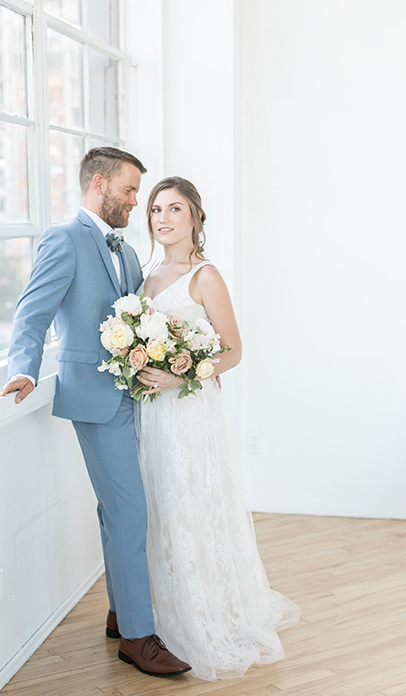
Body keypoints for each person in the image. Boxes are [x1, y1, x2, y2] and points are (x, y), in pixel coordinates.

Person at [0, 148, 191, 678]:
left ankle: (119, 612)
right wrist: (25, 370)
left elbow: (138, 320)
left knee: (116, 512)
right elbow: (32, 311)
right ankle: (138, 637)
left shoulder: (125, 252)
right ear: (99, 184)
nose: (137, 203)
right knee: (131, 512)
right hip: (95, 399)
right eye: (130, 191)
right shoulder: (64, 239)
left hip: (136, 395)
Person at [135, 176, 300, 681]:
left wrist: (178, 374)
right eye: (156, 210)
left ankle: (209, 613)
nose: (163, 218)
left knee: (193, 503)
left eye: (174, 209)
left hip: (187, 410)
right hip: (152, 411)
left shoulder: (204, 276)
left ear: (195, 218)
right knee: (160, 504)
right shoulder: (146, 274)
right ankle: (163, 611)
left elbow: (233, 349)